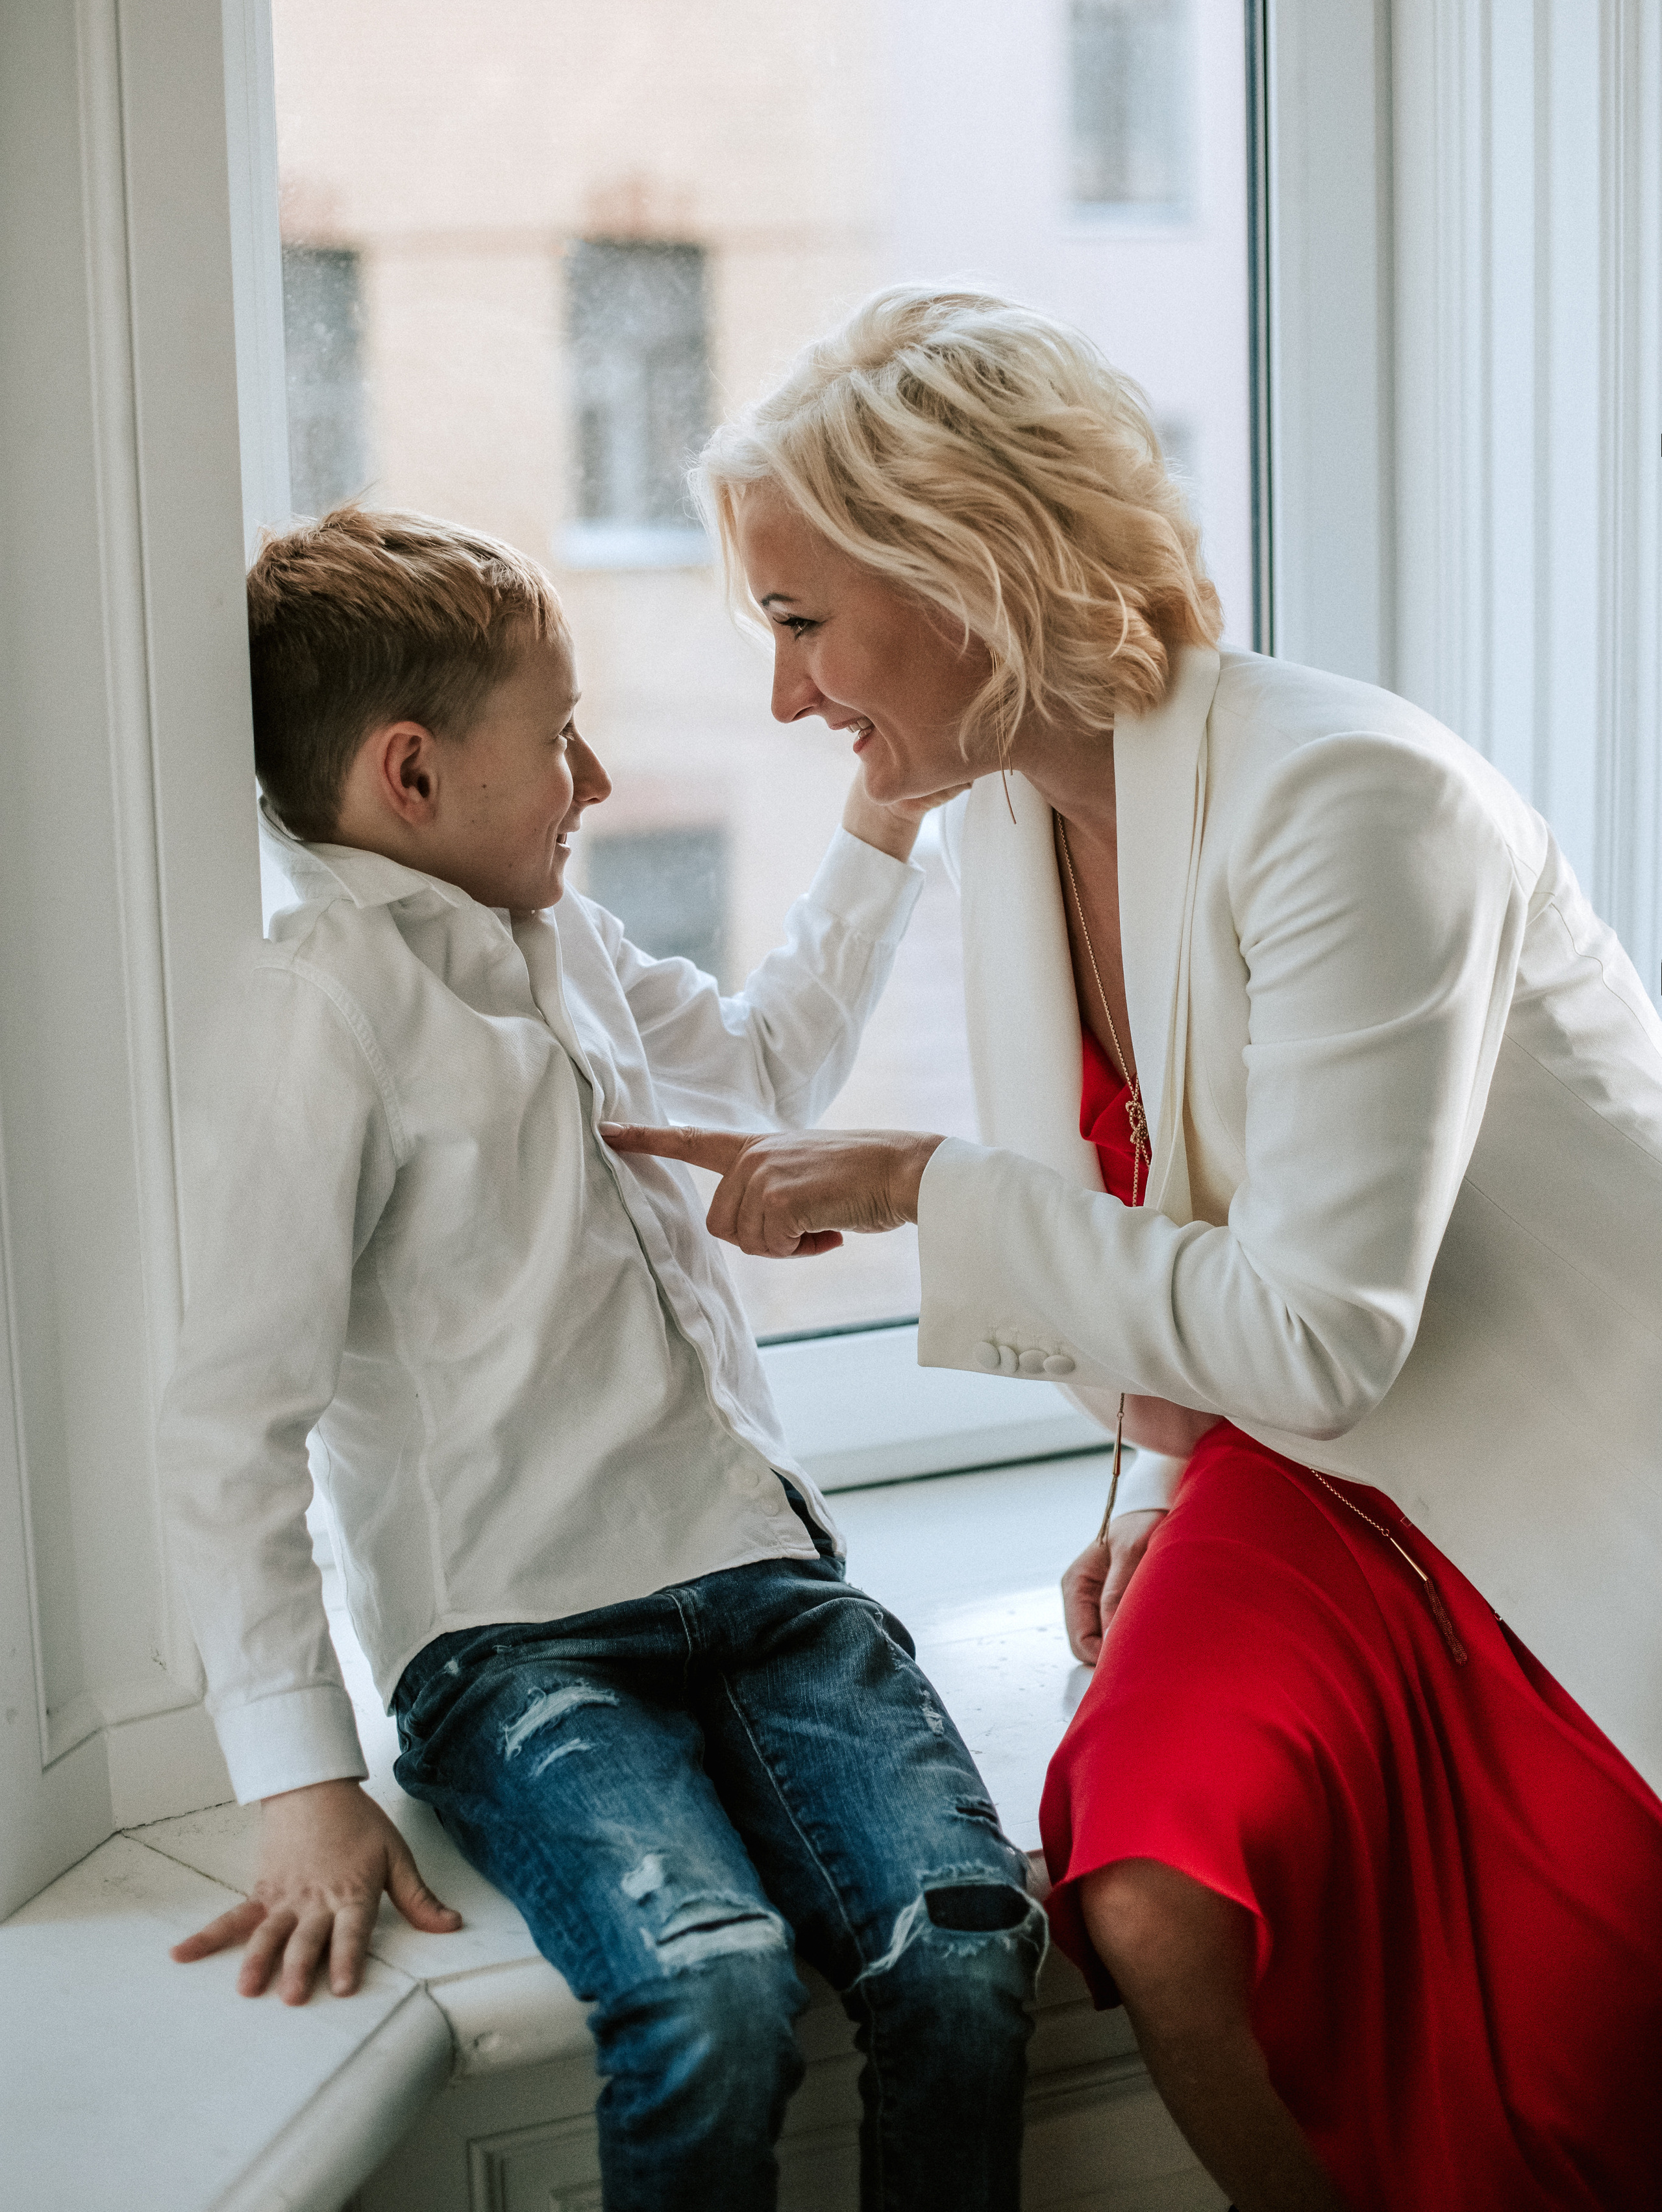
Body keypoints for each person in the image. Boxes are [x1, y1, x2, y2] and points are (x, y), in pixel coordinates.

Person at [604, 287, 1662, 2212]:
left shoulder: (1355, 803)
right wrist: (1167, 1485)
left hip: (1567, 1483)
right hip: (1308, 1478)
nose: (786, 698)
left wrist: (924, 1187)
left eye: (799, 620)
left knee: (1584, 2064)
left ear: (975, 574)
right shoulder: (1008, 823)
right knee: (1153, 1896)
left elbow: (1322, 1333)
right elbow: (1187, 1252)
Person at [157, 507, 1045, 2212]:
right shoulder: (319, 1007)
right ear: (411, 778)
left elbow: (768, 1066)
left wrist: (875, 826)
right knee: (708, 1988)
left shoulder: (574, 945)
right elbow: (229, 1424)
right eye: (558, 740)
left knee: (961, 1950)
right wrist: (301, 1779)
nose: (600, 780)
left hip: (765, 1590)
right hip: (517, 1639)